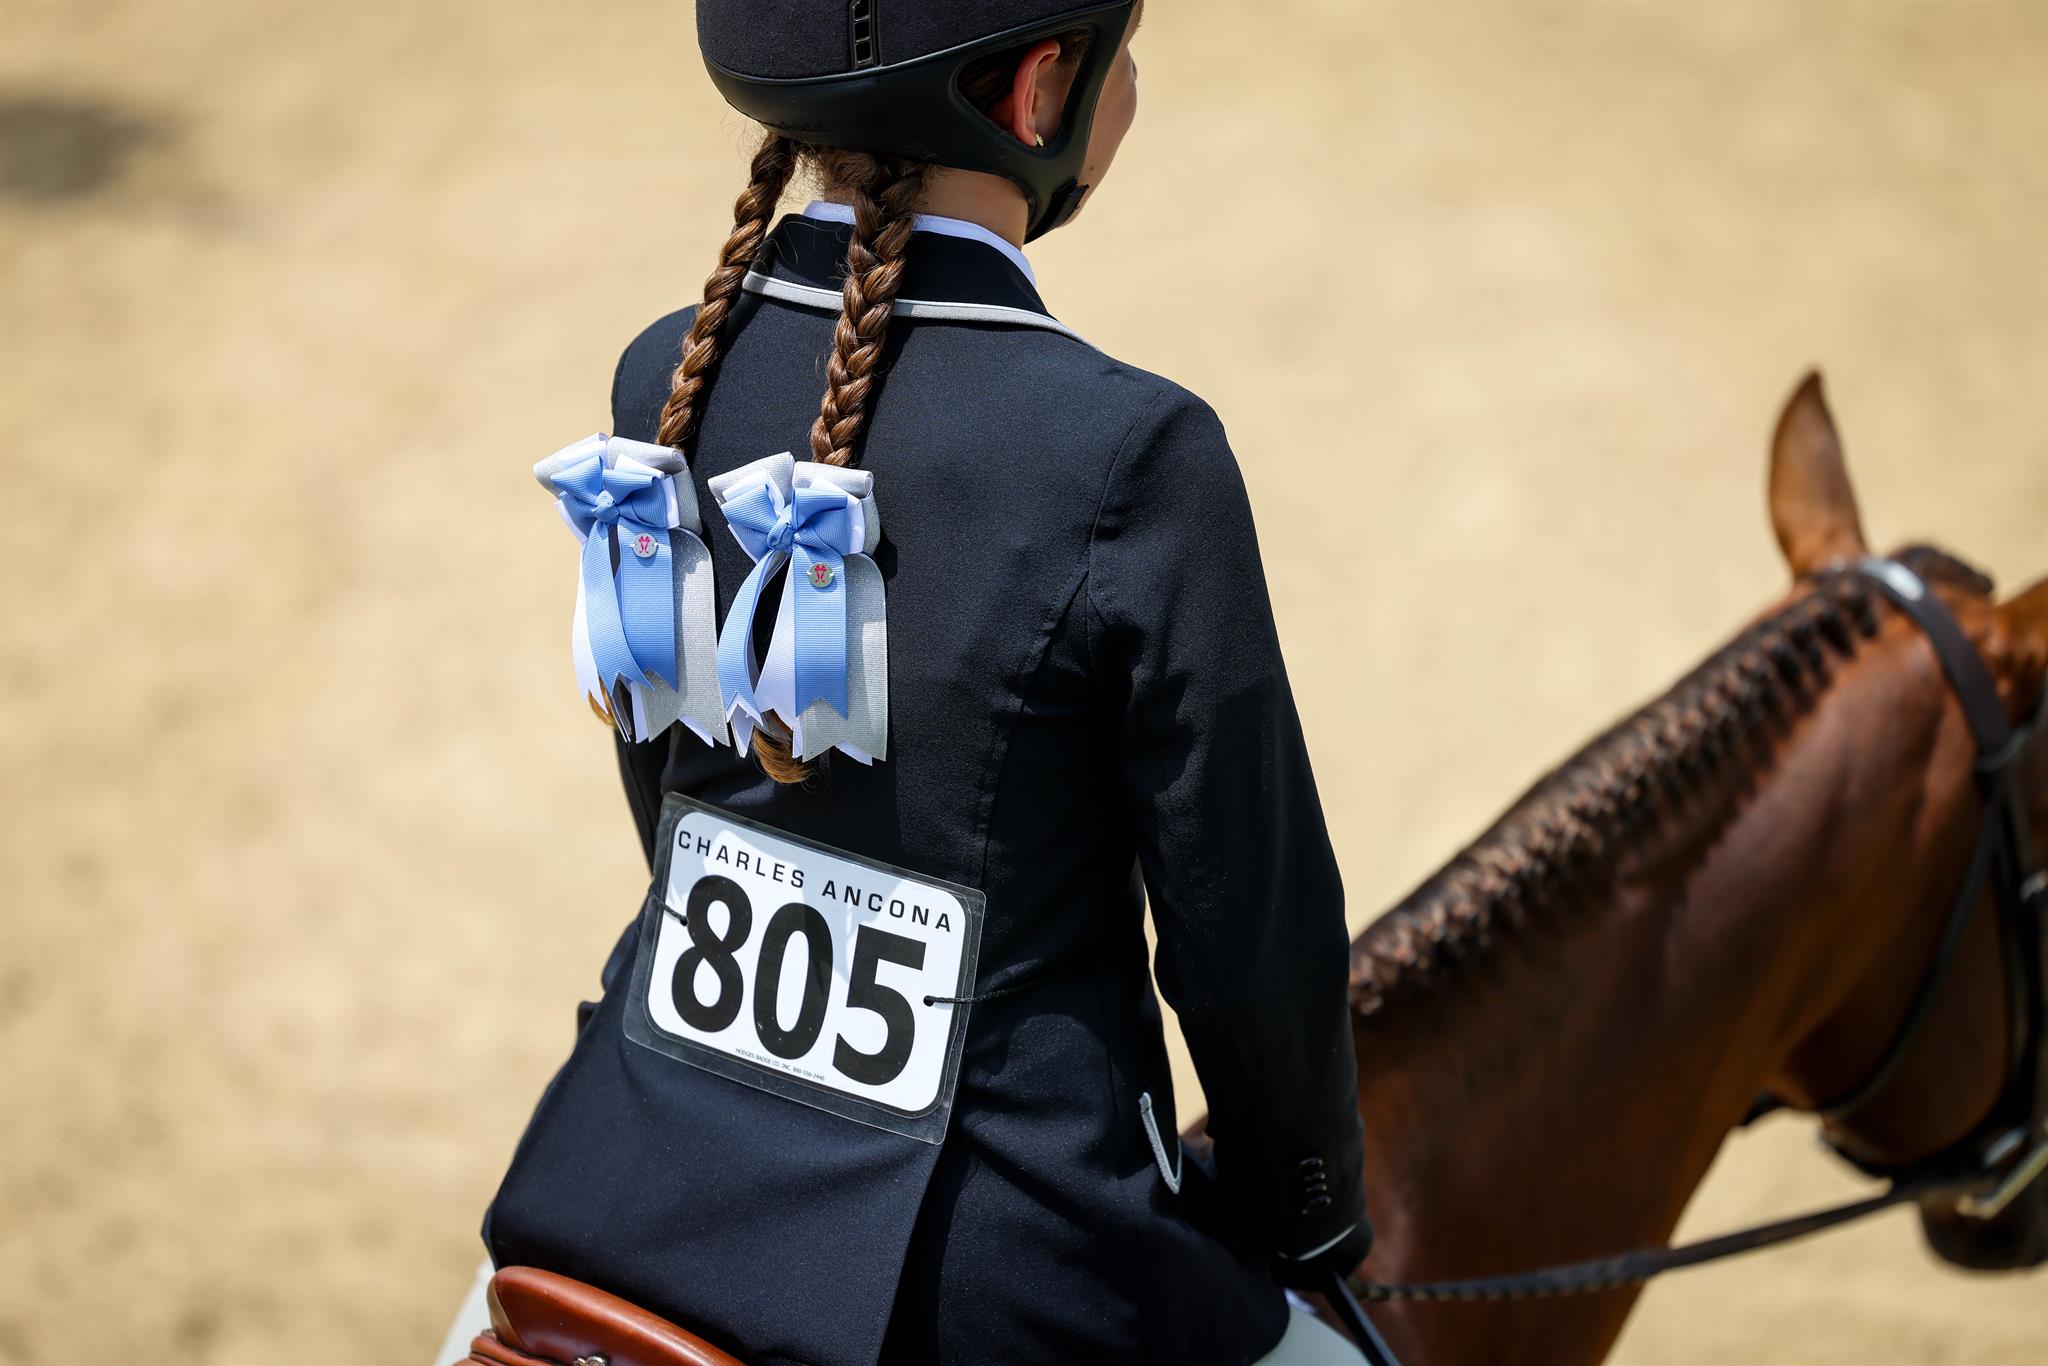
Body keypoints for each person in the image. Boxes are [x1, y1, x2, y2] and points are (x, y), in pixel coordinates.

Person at [481, 3, 1372, 1363]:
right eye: (1123, 46)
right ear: (1037, 91)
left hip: (611, 1180)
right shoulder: (1135, 453)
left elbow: (662, 792)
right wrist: (1303, 1214)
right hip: (1004, 1258)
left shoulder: (670, 370)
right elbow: (1247, 919)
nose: (1136, 76)